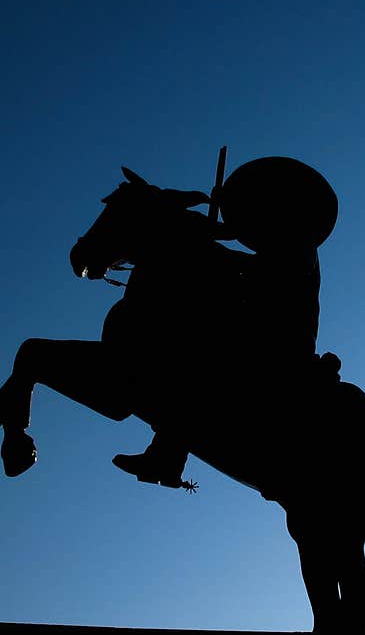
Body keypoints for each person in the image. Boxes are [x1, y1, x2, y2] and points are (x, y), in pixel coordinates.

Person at [111, 156, 341, 490]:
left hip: (279, 342)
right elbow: (240, 247)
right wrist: (214, 230)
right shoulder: (278, 241)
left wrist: (208, 251)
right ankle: (166, 452)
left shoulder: (297, 245)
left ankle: (167, 457)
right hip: (258, 331)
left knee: (202, 362)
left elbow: (263, 276)